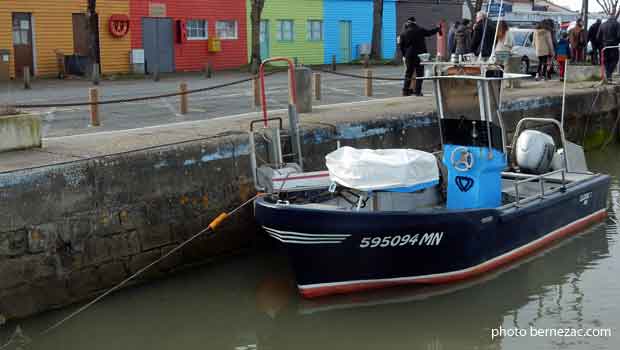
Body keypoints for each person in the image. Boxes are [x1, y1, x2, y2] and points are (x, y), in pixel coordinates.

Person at [399, 16, 441, 96]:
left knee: (408, 73)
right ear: (415, 22)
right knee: (419, 73)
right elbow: (429, 33)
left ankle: (405, 91)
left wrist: (404, 54)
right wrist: (437, 29)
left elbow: (401, 45)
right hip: (420, 55)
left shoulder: (404, 32)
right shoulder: (420, 30)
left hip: (409, 54)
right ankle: (417, 91)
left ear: (408, 23)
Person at [597, 15, 620, 82]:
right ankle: (609, 74)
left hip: (605, 46)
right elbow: (619, 35)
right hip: (614, 45)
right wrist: (617, 42)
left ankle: (608, 75)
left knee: (606, 60)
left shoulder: (602, 25)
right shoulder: (617, 24)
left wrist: (602, 43)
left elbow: (598, 37)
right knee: (615, 59)